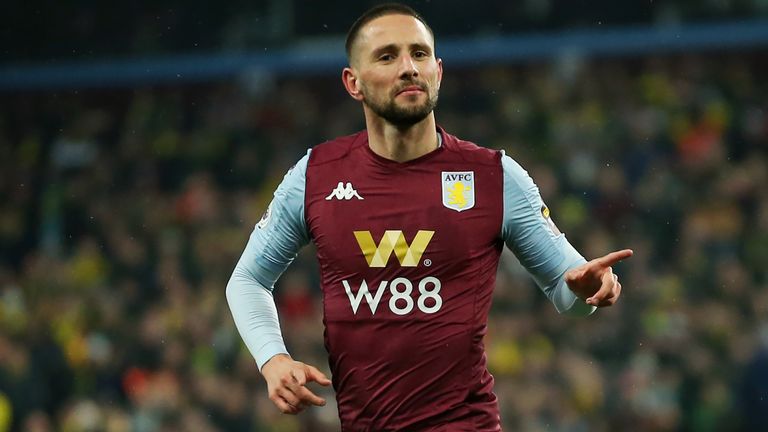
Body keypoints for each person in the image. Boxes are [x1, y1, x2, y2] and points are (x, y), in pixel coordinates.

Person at [226, 3, 632, 430]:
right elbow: (248, 279)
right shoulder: (315, 176)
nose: (408, 68)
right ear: (353, 82)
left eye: (419, 54)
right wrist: (272, 358)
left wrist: (590, 288)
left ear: (438, 70)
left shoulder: (493, 176)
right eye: (387, 56)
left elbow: (567, 288)